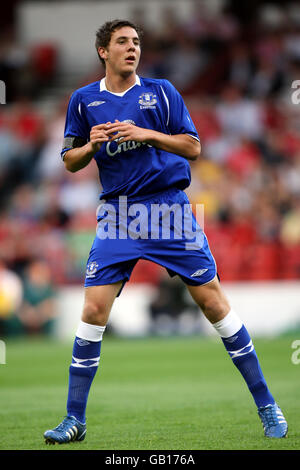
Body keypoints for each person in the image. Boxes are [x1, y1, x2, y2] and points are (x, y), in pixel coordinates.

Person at [44, 19, 288, 444]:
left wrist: (147, 134)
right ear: (104, 51)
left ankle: (268, 405)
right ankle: (74, 419)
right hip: (119, 215)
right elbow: (69, 160)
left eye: (136, 42)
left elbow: (194, 146)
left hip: (168, 210)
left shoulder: (162, 92)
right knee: (93, 312)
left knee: (213, 304)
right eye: (122, 42)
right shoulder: (83, 100)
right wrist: (90, 146)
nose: (132, 48)